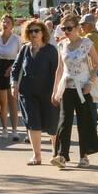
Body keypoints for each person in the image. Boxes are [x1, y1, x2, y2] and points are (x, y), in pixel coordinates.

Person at [52, 14, 98, 169]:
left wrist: (90, 82)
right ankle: (61, 156)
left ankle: (84, 156)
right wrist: (55, 91)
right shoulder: (61, 45)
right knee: (64, 121)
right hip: (67, 86)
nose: (66, 31)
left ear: (77, 28)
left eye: (69, 28)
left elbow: (96, 64)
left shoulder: (86, 43)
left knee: (84, 122)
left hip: (83, 87)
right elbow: (59, 69)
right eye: (63, 28)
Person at [13, 19, 61, 165]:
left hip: (48, 93)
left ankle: (57, 153)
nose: (33, 34)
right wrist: (13, 84)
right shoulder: (25, 49)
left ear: (42, 33)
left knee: (52, 124)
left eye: (36, 31)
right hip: (28, 93)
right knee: (33, 123)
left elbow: (57, 71)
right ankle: (37, 155)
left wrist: (57, 91)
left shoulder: (51, 50)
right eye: (30, 31)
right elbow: (16, 68)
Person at [0, 14, 23, 141]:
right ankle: (4, 129)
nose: (5, 24)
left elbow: (21, 56)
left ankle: (15, 130)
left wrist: (11, 68)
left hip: (12, 67)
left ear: (12, 25)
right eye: (3, 22)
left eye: (8, 22)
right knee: (2, 102)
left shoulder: (16, 39)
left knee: (12, 101)